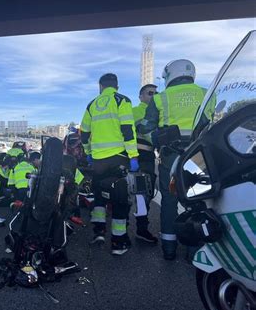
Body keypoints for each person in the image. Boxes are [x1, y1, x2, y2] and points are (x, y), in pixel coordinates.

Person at [138, 59, 207, 260]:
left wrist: (157, 139)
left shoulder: (161, 99)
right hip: (198, 154)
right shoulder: (205, 94)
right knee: (197, 199)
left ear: (170, 75)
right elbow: (208, 123)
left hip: (169, 154)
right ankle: (195, 249)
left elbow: (146, 127)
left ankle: (169, 247)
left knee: (169, 200)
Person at [81, 73, 139, 255]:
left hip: (98, 161)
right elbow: (128, 130)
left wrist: (89, 153)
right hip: (119, 158)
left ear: (100, 86)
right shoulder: (122, 100)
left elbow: (83, 133)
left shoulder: (92, 105)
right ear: (116, 86)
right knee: (120, 199)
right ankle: (118, 242)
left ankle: (99, 232)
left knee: (99, 197)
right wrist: (133, 156)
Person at [132, 84, 159, 244]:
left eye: (156, 93)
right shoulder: (135, 111)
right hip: (138, 157)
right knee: (141, 193)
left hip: (148, 156)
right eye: (150, 93)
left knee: (144, 194)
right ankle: (141, 229)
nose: (153, 95)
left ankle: (141, 228)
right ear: (141, 96)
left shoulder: (159, 111)